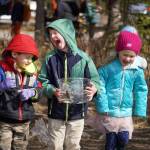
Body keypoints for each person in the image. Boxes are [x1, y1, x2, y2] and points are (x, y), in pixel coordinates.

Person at [38, 18, 100, 150]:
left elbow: (95, 79)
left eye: (56, 32)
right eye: (50, 34)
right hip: (55, 112)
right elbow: (42, 81)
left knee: (73, 145)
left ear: (67, 34)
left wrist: (94, 89)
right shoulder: (50, 58)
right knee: (55, 146)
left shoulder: (84, 59)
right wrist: (52, 91)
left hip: (77, 113)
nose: (53, 36)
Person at [95, 26, 148, 150]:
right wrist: (103, 106)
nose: (128, 59)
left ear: (136, 56)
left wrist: (140, 109)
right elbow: (100, 86)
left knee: (123, 139)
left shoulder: (136, 71)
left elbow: (141, 89)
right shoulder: (108, 69)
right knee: (110, 143)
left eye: (131, 56)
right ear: (118, 52)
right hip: (110, 111)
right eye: (125, 55)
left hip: (126, 113)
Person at [0, 34, 42, 150]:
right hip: (4, 120)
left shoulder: (32, 73)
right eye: (27, 57)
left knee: (21, 147)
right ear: (14, 54)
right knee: (4, 146)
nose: (30, 61)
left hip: (24, 121)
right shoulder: (2, 69)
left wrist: (33, 93)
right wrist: (2, 86)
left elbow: (39, 90)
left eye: (32, 58)